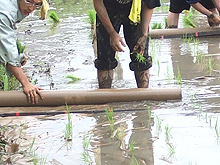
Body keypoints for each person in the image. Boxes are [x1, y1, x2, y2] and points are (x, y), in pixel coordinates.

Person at [93, 0, 160, 89]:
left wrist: (144, 34)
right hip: (108, 8)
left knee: (141, 56)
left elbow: (150, 4)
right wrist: (112, 34)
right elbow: (98, 3)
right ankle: (104, 99)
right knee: (105, 59)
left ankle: (144, 99)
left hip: (135, 9)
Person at [0, 0, 49, 104]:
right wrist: (26, 84)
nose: (31, 8)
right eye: (29, 2)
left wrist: (18, 56)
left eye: (37, 4)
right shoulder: (5, 14)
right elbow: (8, 52)